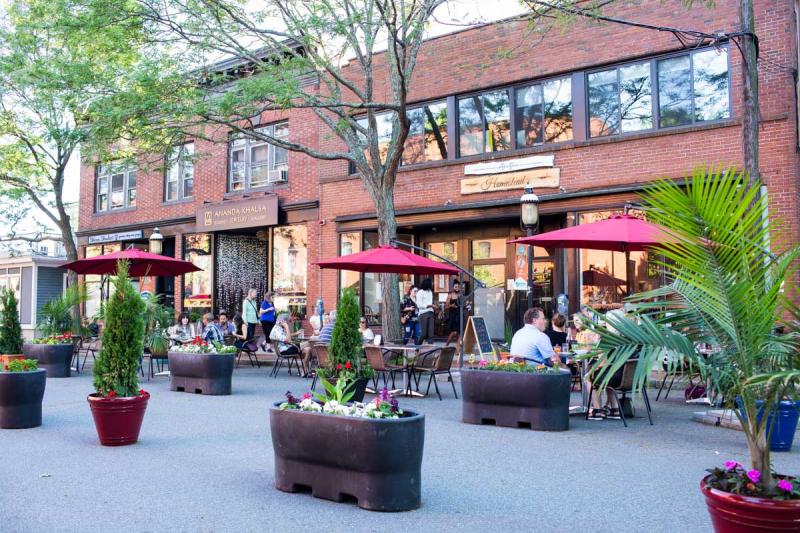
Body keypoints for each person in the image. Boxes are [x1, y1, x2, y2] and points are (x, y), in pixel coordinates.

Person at [445, 280, 464, 346]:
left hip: (460, 315)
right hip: (453, 316)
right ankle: (446, 345)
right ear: (453, 287)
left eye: (458, 287)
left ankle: (457, 350)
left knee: (459, 333)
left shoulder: (461, 295)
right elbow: (446, 307)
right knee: (454, 332)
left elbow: (463, 305)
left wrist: (466, 305)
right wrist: (451, 305)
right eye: (456, 287)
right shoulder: (450, 295)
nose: (457, 288)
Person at [417, 277, 435, 344]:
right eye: (431, 283)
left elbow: (430, 303)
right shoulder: (420, 292)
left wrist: (433, 307)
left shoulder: (430, 292)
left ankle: (430, 351)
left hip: (431, 313)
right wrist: (429, 305)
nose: (432, 284)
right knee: (424, 334)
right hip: (423, 314)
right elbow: (419, 305)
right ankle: (417, 348)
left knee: (431, 334)